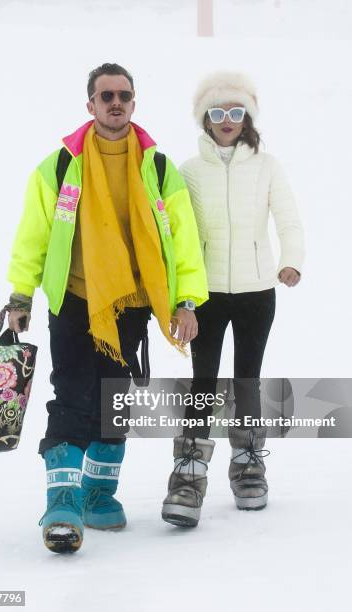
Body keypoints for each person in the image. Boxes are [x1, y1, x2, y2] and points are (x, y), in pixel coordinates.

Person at [6, 63, 208, 553]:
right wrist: (20, 294)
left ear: (133, 103)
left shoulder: (158, 168)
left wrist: (185, 300)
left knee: (114, 401)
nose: (115, 103)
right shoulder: (60, 165)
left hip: (135, 303)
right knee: (73, 395)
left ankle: (99, 493)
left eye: (123, 95)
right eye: (105, 96)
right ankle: (63, 503)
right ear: (90, 105)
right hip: (76, 300)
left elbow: (184, 244)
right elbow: (33, 234)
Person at [162, 71, 305, 527]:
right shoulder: (188, 170)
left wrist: (292, 260)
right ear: (205, 117)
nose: (227, 120)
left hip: (257, 290)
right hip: (205, 295)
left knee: (247, 379)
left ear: (247, 118)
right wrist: (179, 295)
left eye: (236, 112)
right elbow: (178, 236)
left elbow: (288, 218)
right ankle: (188, 471)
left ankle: (248, 465)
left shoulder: (267, 165)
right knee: (203, 378)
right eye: (218, 112)